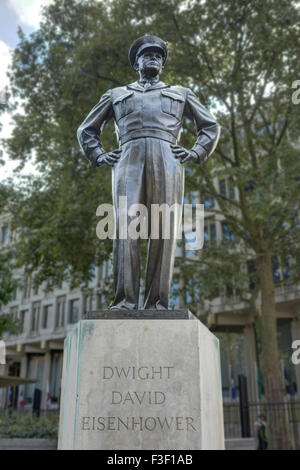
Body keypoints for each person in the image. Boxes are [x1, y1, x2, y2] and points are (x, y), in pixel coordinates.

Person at [77, 35, 220, 310]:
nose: (153, 58)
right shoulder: (116, 94)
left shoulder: (182, 93)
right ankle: (124, 301)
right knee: (125, 227)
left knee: (164, 228)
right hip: (127, 158)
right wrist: (99, 154)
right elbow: (87, 130)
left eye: (158, 55)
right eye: (147, 54)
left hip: (168, 157)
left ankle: (157, 303)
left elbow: (210, 126)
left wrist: (195, 152)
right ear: (137, 63)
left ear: (162, 64)